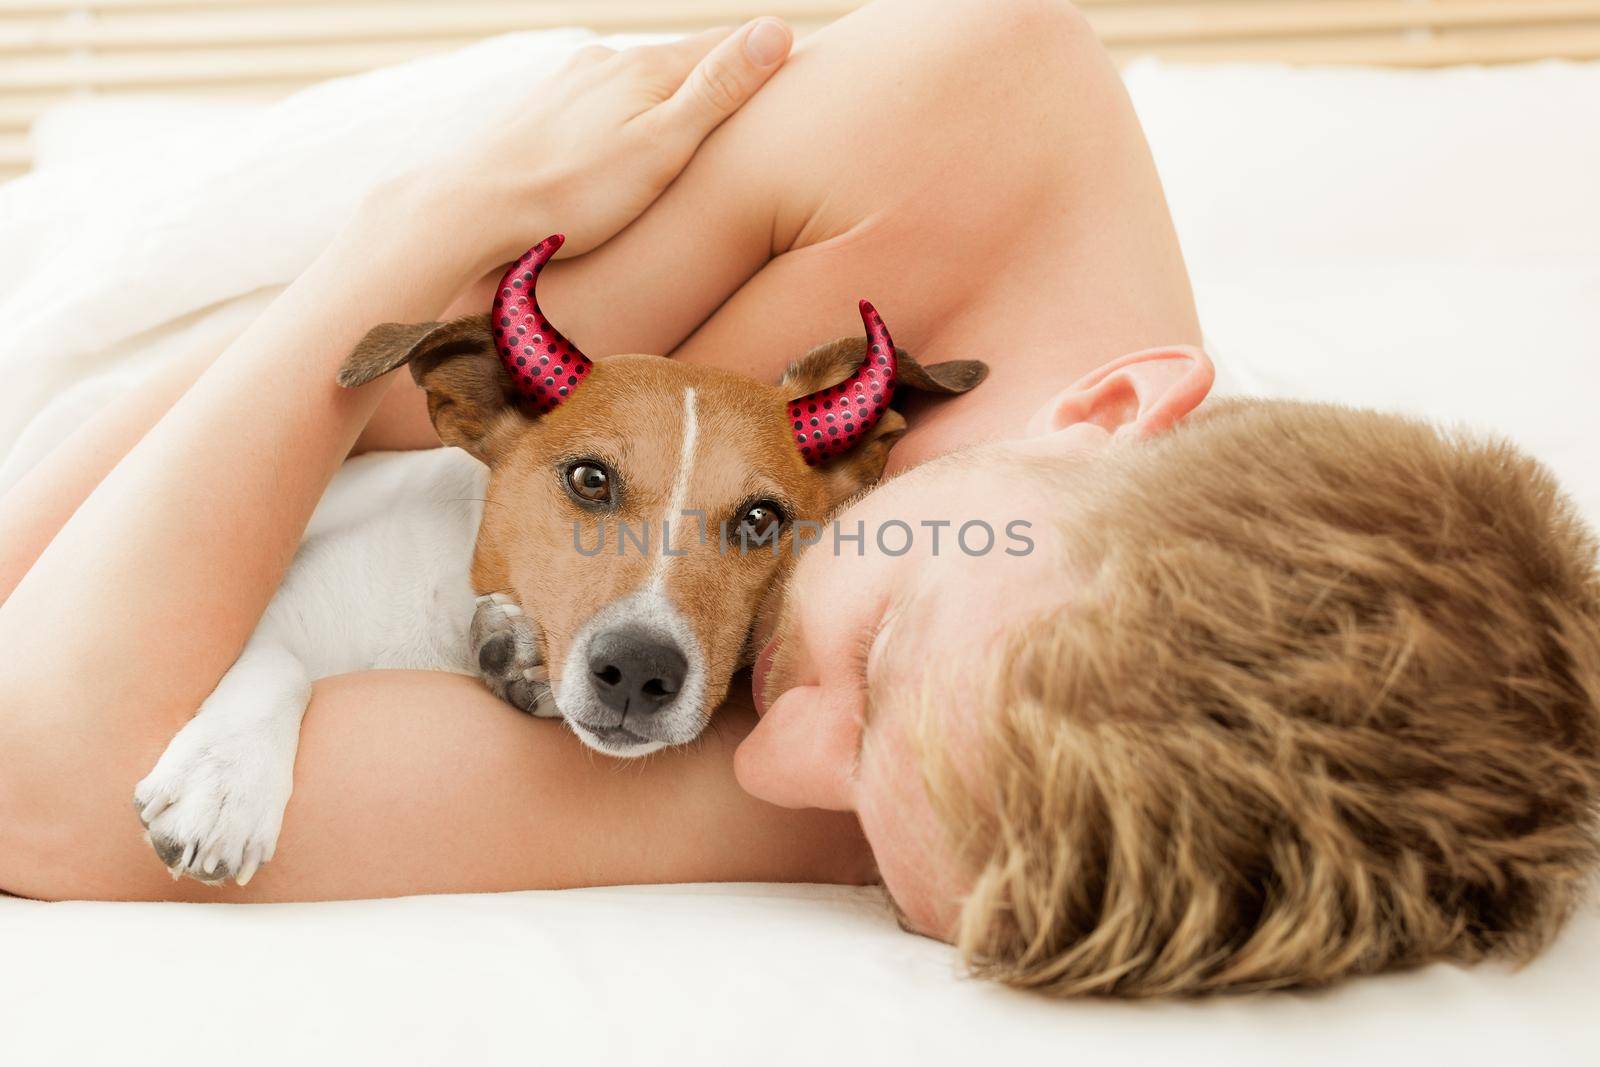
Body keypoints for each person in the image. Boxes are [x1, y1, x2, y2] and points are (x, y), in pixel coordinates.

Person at [3, 0, 1597, 997]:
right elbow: (317, 392)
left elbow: (48, 775)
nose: (764, 758)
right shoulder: (973, 116)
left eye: (861, 829)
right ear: (1110, 409)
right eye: (881, 655)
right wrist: (406, 238)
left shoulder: (939, 790)